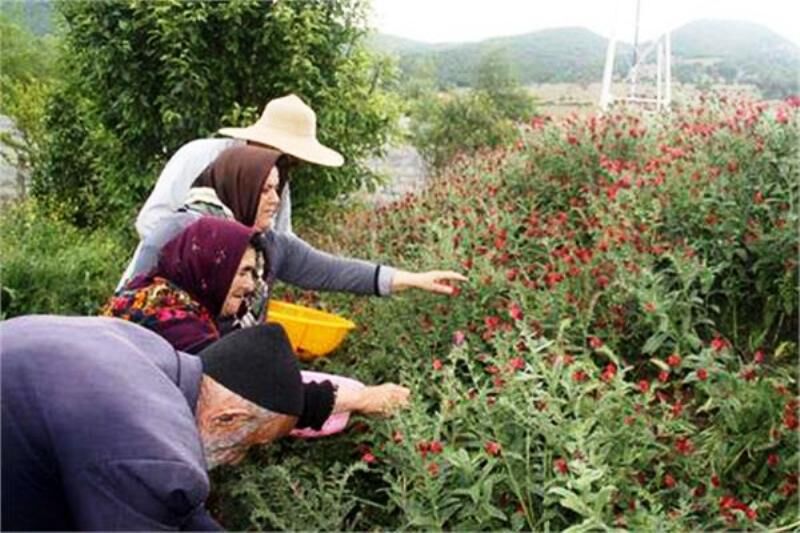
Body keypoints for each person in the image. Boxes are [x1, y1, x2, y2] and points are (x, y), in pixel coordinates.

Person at [1, 316, 409, 531]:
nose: (236, 461)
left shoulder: (155, 356)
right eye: (250, 446)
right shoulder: (156, 452)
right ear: (229, 417)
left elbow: (174, 510)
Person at [117, 145, 467, 328]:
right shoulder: (183, 232)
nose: (274, 199)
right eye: (264, 189)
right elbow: (129, 303)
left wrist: (414, 279)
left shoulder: (268, 244)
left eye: (277, 189)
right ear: (240, 187)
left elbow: (332, 271)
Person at [136, 93, 343, 240]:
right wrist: (208, 253)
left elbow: (280, 240)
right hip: (162, 290)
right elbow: (151, 222)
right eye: (289, 158)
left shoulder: (275, 178)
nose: (289, 166)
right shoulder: (198, 156)